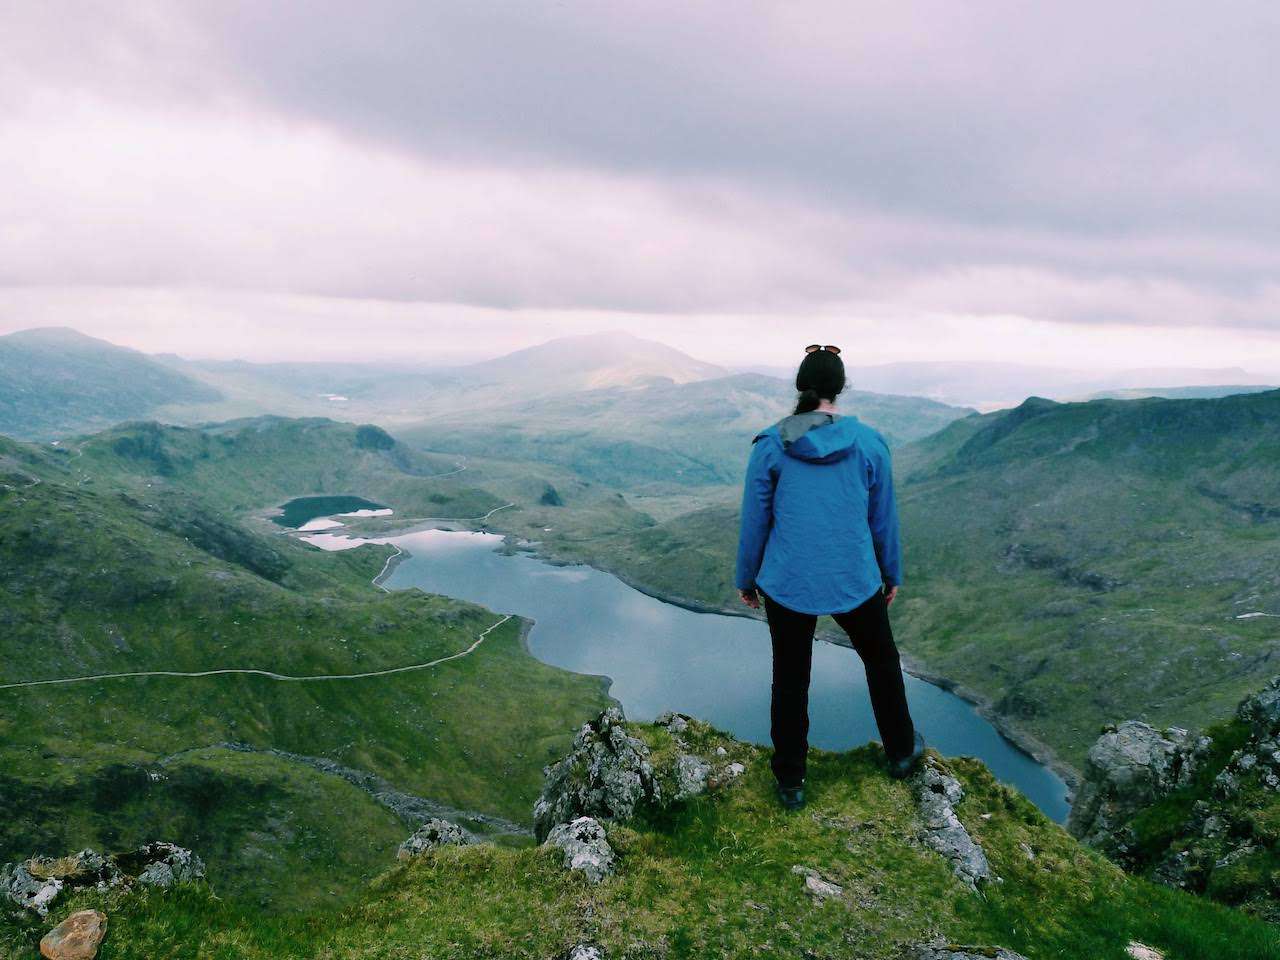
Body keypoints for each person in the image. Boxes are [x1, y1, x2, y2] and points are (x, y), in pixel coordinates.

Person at [734, 344, 924, 811]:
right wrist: (890, 571)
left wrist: (747, 578)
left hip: (788, 581)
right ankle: (901, 752)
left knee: (791, 678)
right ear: (840, 389)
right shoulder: (870, 443)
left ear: (802, 386)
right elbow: (884, 518)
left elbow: (755, 520)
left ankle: (792, 781)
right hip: (854, 578)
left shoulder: (771, 445)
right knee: (881, 662)